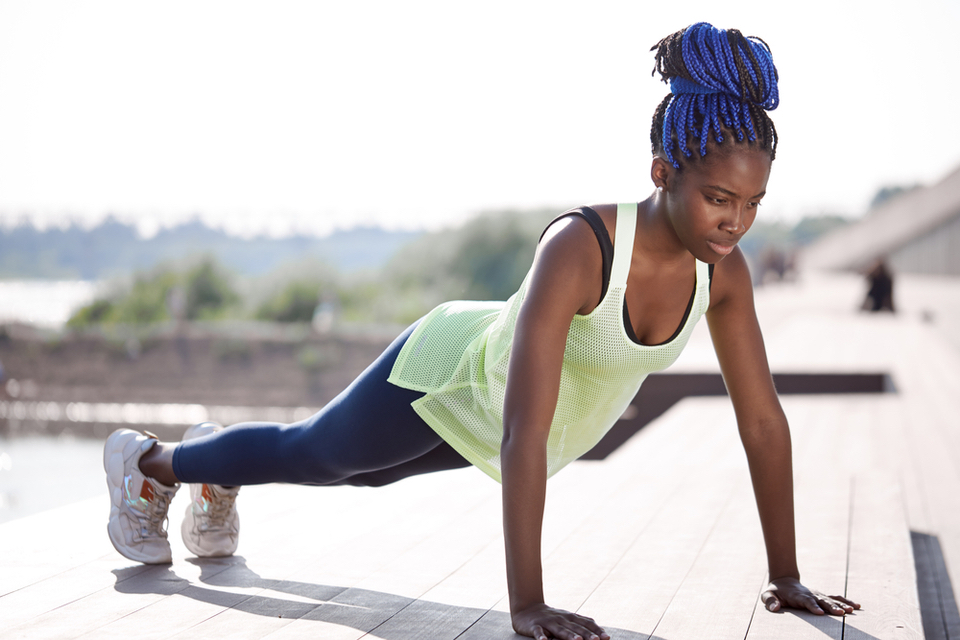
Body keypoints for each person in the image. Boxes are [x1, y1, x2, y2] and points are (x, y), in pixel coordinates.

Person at [103, 22, 859, 640]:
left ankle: (213, 461)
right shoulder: (582, 246)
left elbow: (760, 420)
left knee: (367, 471)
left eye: (753, 203)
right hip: (456, 371)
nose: (735, 221)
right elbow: (522, 429)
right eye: (718, 197)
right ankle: (156, 462)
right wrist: (527, 604)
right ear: (663, 172)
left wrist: (784, 574)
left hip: (516, 420)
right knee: (324, 456)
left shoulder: (723, 274)